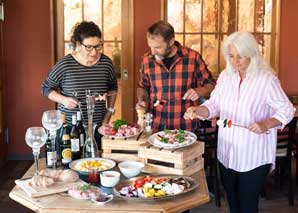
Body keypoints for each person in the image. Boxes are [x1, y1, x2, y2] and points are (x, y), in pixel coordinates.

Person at [184, 31, 295, 213]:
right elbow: (214, 105)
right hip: (227, 152)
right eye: (231, 56)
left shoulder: (266, 80)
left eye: (240, 57)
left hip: (254, 155)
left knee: (248, 204)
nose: (235, 61)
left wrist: (266, 124)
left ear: (252, 54)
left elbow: (287, 109)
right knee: (232, 198)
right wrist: (198, 111)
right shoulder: (226, 77)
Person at [41, 21, 118, 148]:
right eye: (89, 47)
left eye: (98, 46)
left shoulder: (106, 63)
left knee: (97, 165)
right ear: (78, 44)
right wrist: (64, 100)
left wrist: (108, 114)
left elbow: (113, 88)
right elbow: (45, 88)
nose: (94, 52)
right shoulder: (65, 64)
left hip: (98, 127)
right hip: (70, 130)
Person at [136, 20, 215, 131]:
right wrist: (141, 100)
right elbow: (142, 87)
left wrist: (199, 91)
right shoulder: (147, 59)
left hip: (186, 125)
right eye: (151, 47)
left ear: (171, 41)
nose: (153, 52)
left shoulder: (192, 57)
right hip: (156, 125)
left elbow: (211, 85)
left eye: (158, 47)